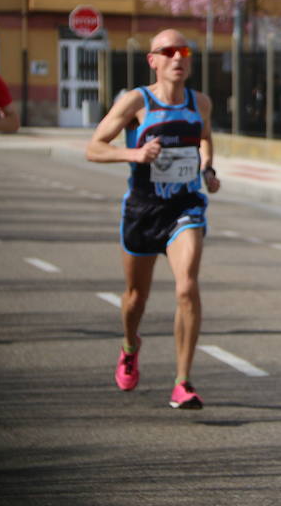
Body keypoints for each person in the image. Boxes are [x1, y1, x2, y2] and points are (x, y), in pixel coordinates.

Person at [86, 29, 221, 409]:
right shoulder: (137, 101)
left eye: (184, 51)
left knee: (186, 287)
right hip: (143, 209)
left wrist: (208, 168)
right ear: (153, 60)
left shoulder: (201, 102)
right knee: (135, 298)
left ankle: (183, 381)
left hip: (185, 207)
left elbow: (205, 138)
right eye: (168, 51)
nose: (178, 57)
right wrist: (135, 155)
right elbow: (94, 147)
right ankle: (130, 345)